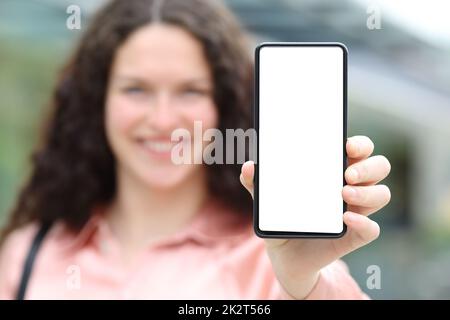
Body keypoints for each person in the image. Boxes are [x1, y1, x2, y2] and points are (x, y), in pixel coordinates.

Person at [0, 0, 391, 299]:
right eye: (136, 89)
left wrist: (305, 284)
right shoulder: (29, 254)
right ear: (98, 100)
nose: (163, 119)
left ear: (222, 104)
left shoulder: (278, 260)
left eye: (191, 90)